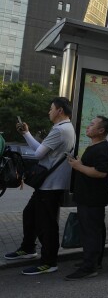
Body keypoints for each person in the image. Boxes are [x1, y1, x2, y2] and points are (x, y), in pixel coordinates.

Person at [5, 97, 76, 276]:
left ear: (60, 110)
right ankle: (28, 248)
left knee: (47, 225)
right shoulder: (64, 128)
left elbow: (37, 154)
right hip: (48, 184)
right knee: (30, 214)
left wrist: (26, 135)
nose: (49, 111)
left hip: (51, 185)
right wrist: (26, 133)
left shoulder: (60, 130)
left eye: (51, 108)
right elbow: (42, 151)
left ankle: (48, 262)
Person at [64, 116, 108, 280]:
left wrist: (79, 166)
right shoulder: (95, 146)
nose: (88, 126)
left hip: (92, 199)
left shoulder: (102, 148)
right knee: (93, 231)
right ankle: (93, 262)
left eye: (92, 124)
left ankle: (89, 267)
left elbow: (101, 172)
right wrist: (79, 164)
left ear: (101, 130)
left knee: (90, 232)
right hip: (87, 197)